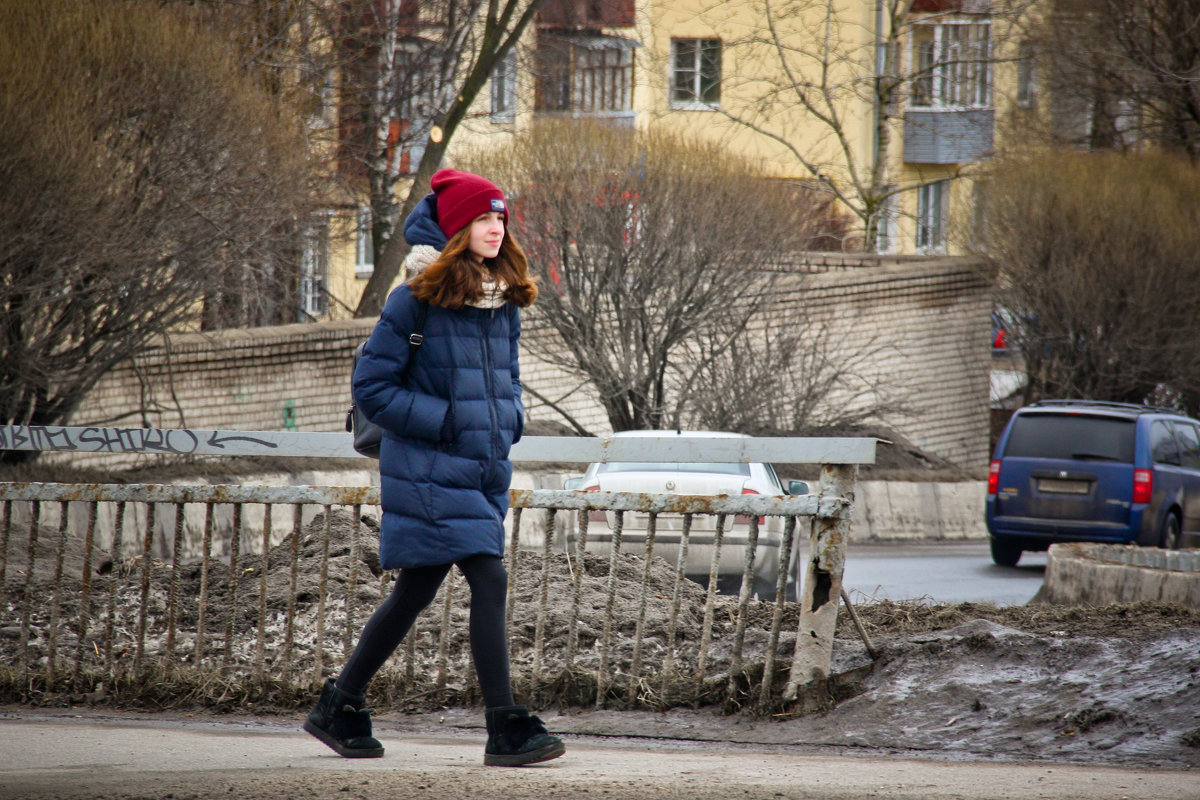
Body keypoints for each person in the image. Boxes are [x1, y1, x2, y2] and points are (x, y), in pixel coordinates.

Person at [304, 169, 564, 767]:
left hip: (481, 467)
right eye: (481, 219)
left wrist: (510, 420)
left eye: (501, 218)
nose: (496, 229)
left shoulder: (504, 302)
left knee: (415, 591)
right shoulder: (414, 298)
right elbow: (372, 386)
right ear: (455, 229)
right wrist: (445, 422)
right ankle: (505, 726)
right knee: (488, 575)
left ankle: (339, 704)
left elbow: (504, 382)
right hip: (425, 465)